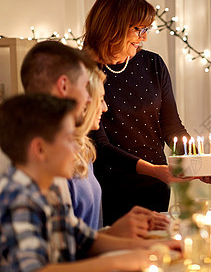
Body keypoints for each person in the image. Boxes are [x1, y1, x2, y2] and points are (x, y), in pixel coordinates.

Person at [83, 0, 211, 224]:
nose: (144, 37)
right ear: (114, 25)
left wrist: (200, 164)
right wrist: (153, 169)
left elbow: (171, 127)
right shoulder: (84, 70)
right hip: (111, 189)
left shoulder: (152, 64)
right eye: (139, 29)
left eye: (147, 29)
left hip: (156, 187)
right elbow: (100, 147)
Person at [0, 94, 178, 271]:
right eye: (70, 139)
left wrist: (157, 248)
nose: (78, 147)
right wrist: (119, 262)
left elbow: (84, 240)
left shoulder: (50, 189)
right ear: (39, 149)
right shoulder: (17, 197)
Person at [20, 40, 167, 238]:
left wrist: (123, 233)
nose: (104, 106)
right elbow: (59, 258)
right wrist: (117, 235)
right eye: (87, 89)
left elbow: (82, 240)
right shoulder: (44, 162)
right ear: (63, 86)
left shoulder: (81, 150)